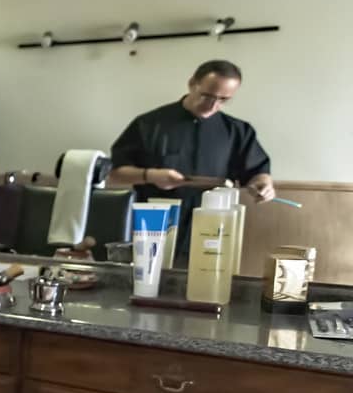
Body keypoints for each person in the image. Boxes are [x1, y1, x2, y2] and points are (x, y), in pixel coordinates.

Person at [108, 59, 274, 257]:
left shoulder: (238, 131)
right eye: (207, 96)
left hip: (212, 226)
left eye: (223, 99)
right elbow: (115, 174)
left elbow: (257, 173)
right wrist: (150, 175)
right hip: (153, 224)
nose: (213, 105)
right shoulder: (150, 124)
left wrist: (264, 185)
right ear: (192, 84)